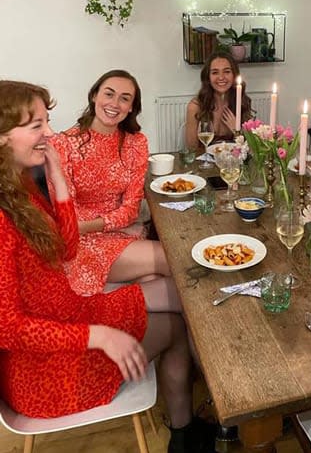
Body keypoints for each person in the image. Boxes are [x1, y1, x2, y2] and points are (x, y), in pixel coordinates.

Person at [0, 80, 213, 453]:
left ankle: (212, 402)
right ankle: (186, 433)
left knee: (181, 291)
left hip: (72, 315)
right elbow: (7, 329)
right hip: (49, 374)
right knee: (177, 325)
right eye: (36, 125)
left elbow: (66, 249)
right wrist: (98, 336)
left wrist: (59, 179)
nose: (50, 133)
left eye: (47, 122)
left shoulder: (19, 187)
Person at [51, 70, 170, 296]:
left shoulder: (136, 143)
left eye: (124, 98)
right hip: (84, 241)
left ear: (131, 107)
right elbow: (67, 213)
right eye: (109, 94)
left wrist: (94, 224)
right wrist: (88, 227)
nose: (115, 103)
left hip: (122, 232)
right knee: (173, 259)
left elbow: (131, 209)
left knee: (154, 281)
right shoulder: (64, 143)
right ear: (94, 95)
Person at [185, 51, 252, 150]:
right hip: (204, 163)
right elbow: (191, 148)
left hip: (233, 163)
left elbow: (250, 149)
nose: (221, 77)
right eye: (215, 72)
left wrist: (237, 131)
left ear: (234, 75)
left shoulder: (241, 102)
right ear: (208, 77)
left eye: (227, 71)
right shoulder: (195, 106)